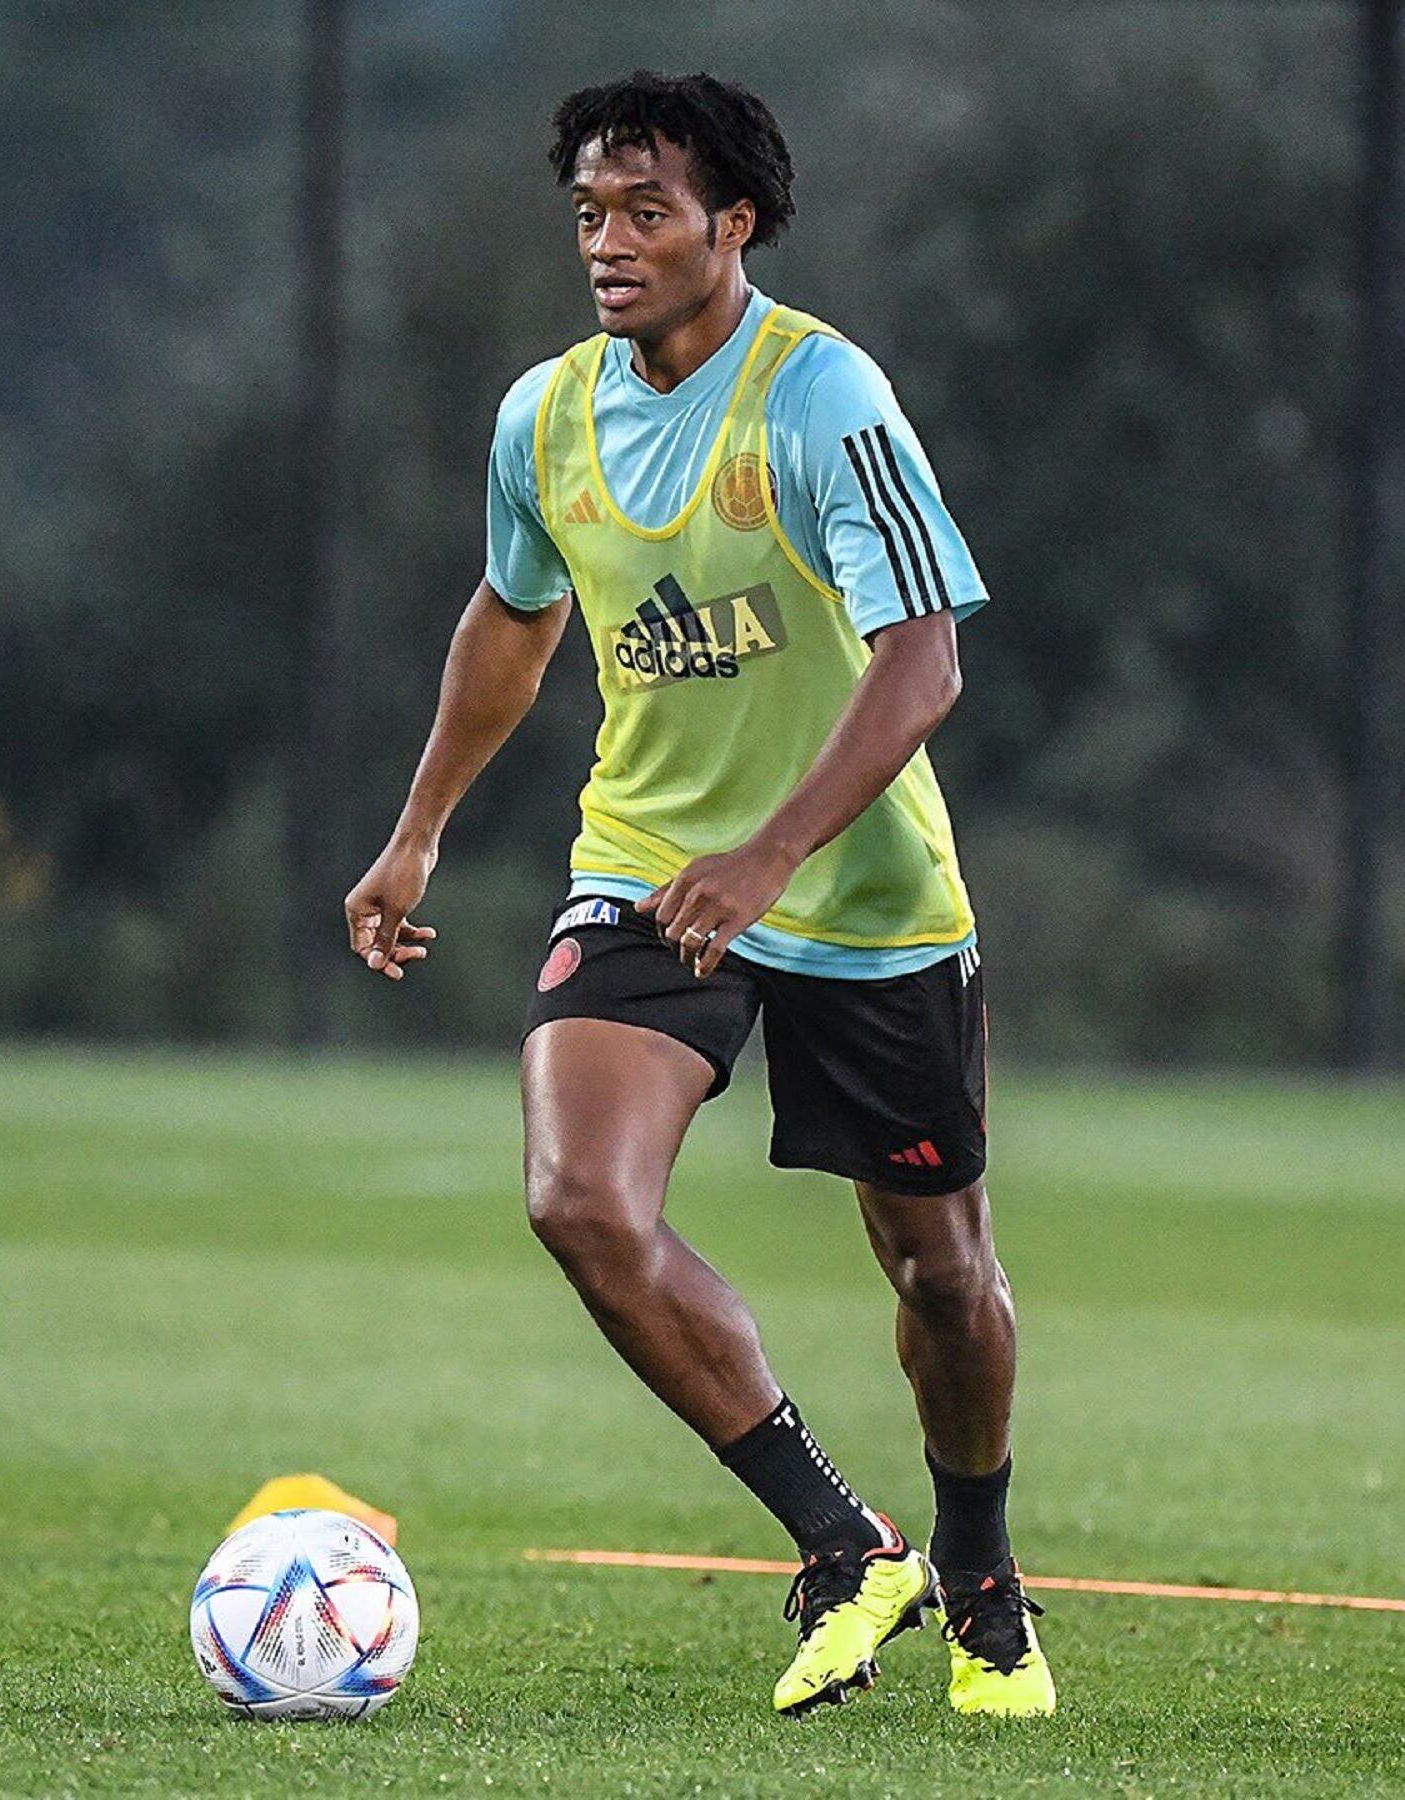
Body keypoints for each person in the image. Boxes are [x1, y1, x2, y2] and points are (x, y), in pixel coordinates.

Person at [344, 69, 1055, 1719]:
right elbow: (510, 623)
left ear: (734, 225)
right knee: (580, 1198)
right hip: (648, 872)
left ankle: (983, 1571)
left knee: (941, 1273)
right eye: (590, 211)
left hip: (863, 895)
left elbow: (924, 661)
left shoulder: (820, 398)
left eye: (647, 210)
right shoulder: (548, 415)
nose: (609, 241)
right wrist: (418, 830)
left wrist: (772, 855)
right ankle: (842, 1542)